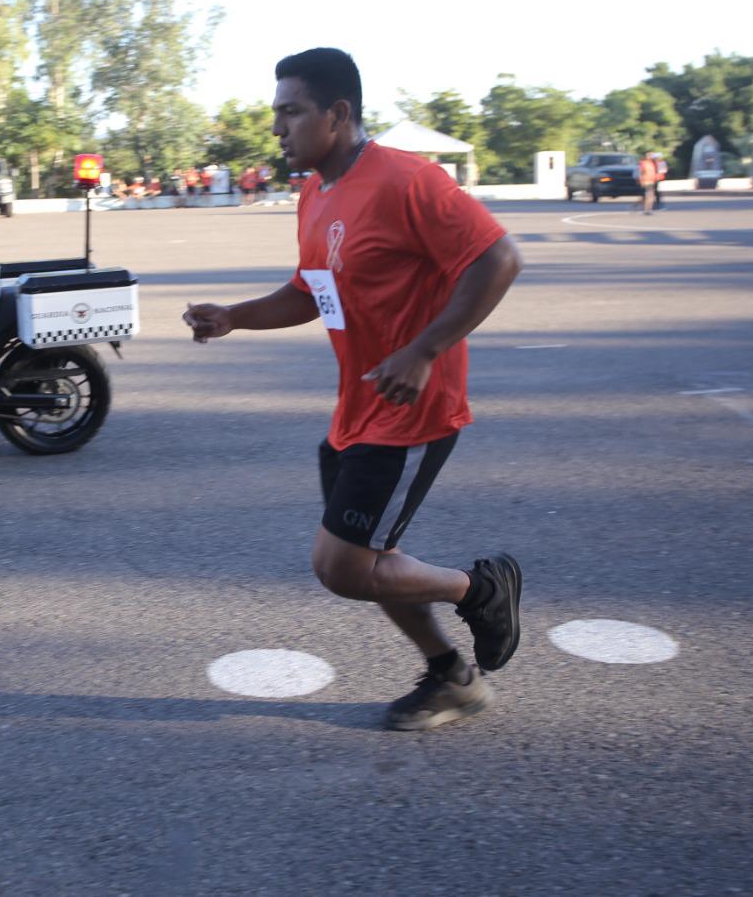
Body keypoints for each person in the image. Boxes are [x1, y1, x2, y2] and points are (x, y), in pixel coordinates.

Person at [183, 48, 525, 731]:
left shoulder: (408, 180)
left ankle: (481, 590)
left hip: (411, 412)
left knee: (343, 566)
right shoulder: (316, 192)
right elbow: (314, 290)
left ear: (338, 115)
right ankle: (452, 678)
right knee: (373, 561)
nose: (277, 127)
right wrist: (235, 318)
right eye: (276, 112)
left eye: (291, 111)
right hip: (356, 409)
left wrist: (425, 348)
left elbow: (499, 258)